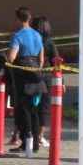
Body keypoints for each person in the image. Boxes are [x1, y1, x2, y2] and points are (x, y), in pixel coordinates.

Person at [7, 7, 45, 153]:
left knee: (23, 112)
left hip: (22, 77)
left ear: (18, 19)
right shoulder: (37, 35)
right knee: (34, 111)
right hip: (36, 75)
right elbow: (41, 59)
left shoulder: (17, 36)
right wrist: (36, 70)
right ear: (28, 18)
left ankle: (25, 143)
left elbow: (11, 57)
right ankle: (35, 144)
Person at [31, 15, 59, 147]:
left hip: (30, 74)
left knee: (30, 104)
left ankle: (23, 134)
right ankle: (40, 135)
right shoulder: (48, 42)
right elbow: (56, 61)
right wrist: (61, 81)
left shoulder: (30, 39)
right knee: (44, 106)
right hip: (46, 75)